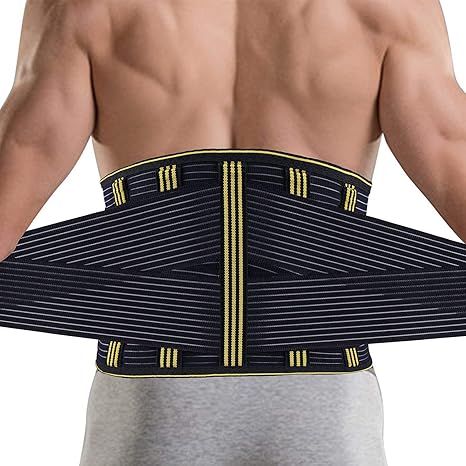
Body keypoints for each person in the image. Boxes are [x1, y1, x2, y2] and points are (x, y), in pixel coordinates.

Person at [0, 1, 464, 465]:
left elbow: (18, 171)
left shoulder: (85, 6)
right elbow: (450, 151)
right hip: (325, 409)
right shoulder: (389, 7)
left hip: (152, 403)